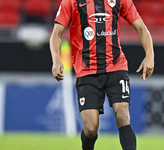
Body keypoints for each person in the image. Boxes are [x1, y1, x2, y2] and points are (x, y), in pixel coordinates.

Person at [50, 0, 154, 149]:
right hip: (87, 71)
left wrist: (150, 55)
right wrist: (56, 60)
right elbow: (56, 33)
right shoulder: (72, 1)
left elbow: (142, 29)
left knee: (123, 114)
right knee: (91, 128)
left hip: (116, 66)